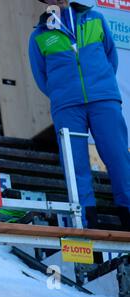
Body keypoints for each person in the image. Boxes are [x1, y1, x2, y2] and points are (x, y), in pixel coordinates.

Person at [29, 0, 130, 231]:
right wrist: (64, 94)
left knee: (118, 157)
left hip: (103, 99)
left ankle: (127, 211)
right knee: (75, 165)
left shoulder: (95, 18)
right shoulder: (39, 35)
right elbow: (41, 77)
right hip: (67, 106)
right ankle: (87, 220)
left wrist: (100, 86)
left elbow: (110, 57)